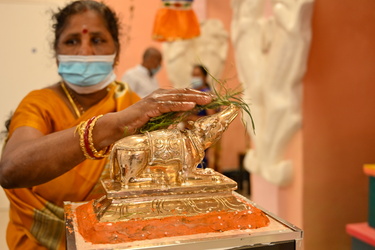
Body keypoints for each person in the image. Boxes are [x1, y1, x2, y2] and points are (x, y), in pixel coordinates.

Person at [0, 1, 212, 250]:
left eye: (98, 40)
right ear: (56, 53)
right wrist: (109, 127)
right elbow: (11, 168)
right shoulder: (39, 104)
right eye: (71, 41)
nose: (85, 51)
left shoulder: (132, 104)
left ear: (117, 52)